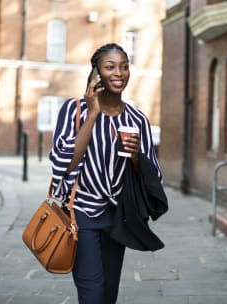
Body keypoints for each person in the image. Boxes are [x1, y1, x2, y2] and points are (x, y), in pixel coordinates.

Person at [49, 43, 163, 304]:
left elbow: (154, 177)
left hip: (118, 218)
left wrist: (136, 157)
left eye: (124, 67)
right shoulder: (74, 110)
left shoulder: (137, 120)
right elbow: (62, 165)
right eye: (110, 67)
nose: (119, 73)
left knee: (109, 294)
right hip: (81, 215)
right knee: (93, 293)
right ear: (97, 73)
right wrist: (92, 114)